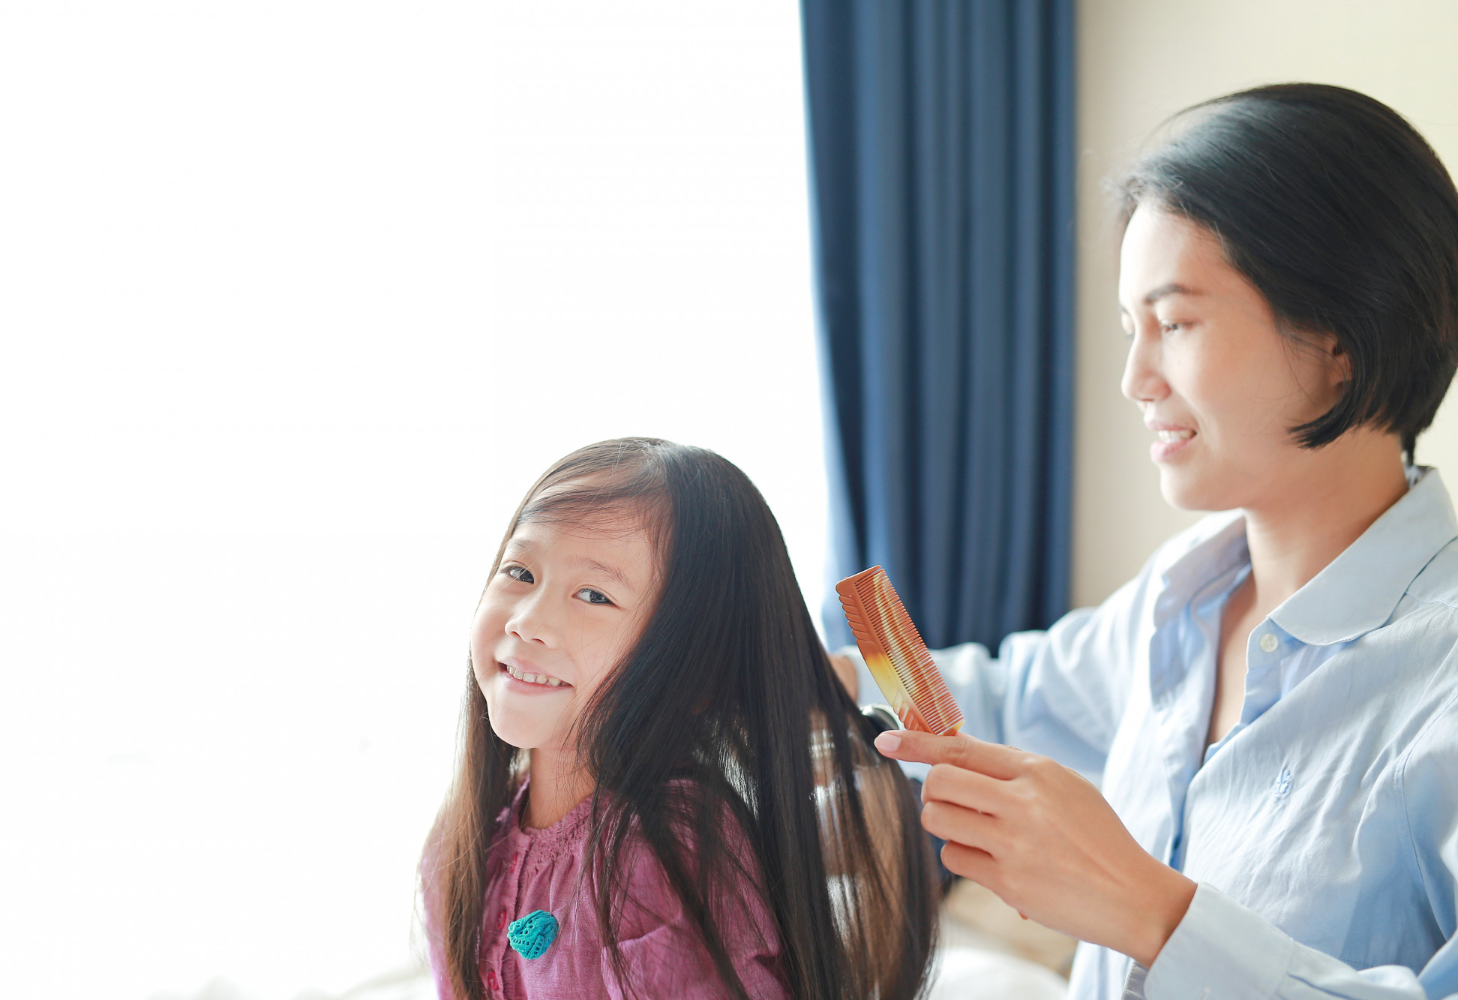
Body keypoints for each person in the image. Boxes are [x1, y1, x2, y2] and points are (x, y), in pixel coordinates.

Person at [836, 84, 1458, 999]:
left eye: (1174, 323)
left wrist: (1143, 910)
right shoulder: (1183, 594)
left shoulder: (1437, 679)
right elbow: (994, 703)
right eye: (1133, 329)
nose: (1133, 378)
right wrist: (804, 674)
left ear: (1339, 338)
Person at [422, 437, 939, 1000]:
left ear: (693, 671)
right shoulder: (462, 839)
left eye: (594, 595)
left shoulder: (660, 863)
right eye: (520, 572)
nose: (528, 620)